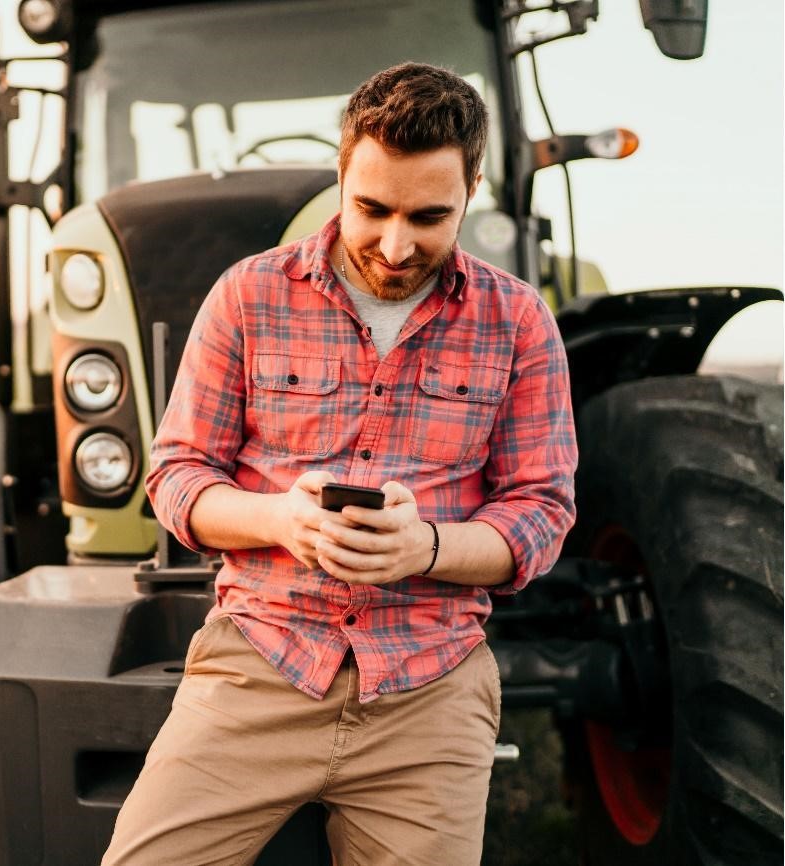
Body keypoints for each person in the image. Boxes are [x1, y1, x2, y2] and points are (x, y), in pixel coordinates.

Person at [101, 62, 577, 866]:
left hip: (429, 685)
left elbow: (539, 513)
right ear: (342, 174)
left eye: (429, 216)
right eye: (372, 209)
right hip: (258, 665)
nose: (395, 245)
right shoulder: (246, 296)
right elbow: (176, 476)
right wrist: (279, 518)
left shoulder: (520, 321)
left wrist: (420, 547)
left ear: (472, 190)